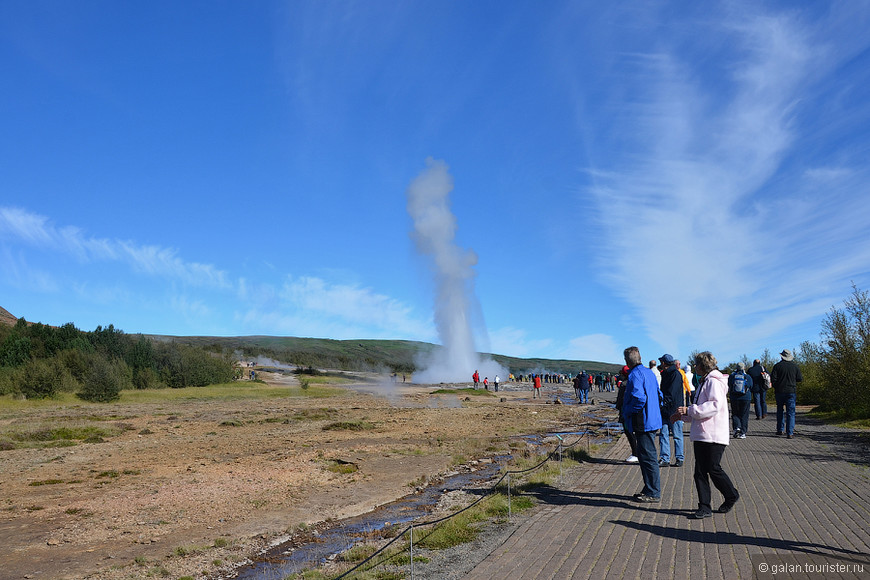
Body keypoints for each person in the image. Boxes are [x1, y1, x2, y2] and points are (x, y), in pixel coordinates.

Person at [673, 351, 739, 520]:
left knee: (713, 468)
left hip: (713, 434)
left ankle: (731, 494)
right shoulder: (705, 381)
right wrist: (683, 415)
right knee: (701, 471)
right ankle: (704, 506)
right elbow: (700, 409)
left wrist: (689, 410)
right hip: (703, 433)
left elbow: (713, 406)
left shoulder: (713, 382)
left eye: (696, 364)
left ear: (702, 366)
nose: (695, 367)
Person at [622, 346, 663, 502]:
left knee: (648, 457)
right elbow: (659, 394)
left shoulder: (634, 376)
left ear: (627, 360)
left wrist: (628, 411)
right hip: (652, 418)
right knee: (647, 456)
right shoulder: (649, 373)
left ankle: (653, 492)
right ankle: (649, 488)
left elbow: (639, 399)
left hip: (643, 421)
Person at [657, 354, 685, 467]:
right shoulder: (668, 374)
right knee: (664, 434)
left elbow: (671, 393)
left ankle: (679, 458)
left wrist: (662, 402)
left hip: (673, 409)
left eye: (661, 362)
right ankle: (665, 458)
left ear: (664, 363)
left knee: (676, 435)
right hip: (667, 409)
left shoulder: (675, 375)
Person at [771, 349, 802, 439]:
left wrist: (777, 386)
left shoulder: (777, 366)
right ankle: (790, 432)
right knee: (791, 412)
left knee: (780, 411)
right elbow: (799, 378)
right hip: (791, 391)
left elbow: (773, 379)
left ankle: (780, 429)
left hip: (780, 391)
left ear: (782, 356)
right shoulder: (795, 366)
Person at [615, 365, 638, 463]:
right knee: (635, 433)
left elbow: (620, 399)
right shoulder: (635, 381)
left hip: (626, 412)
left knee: (629, 432)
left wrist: (618, 406)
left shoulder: (624, 384)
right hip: (634, 411)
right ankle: (637, 453)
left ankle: (635, 454)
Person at [728, 363, 753, 438]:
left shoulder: (732, 376)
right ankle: (743, 432)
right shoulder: (747, 376)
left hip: (734, 398)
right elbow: (751, 386)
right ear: (744, 368)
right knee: (744, 415)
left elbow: (729, 385)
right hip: (745, 398)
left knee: (735, 413)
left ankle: (736, 428)